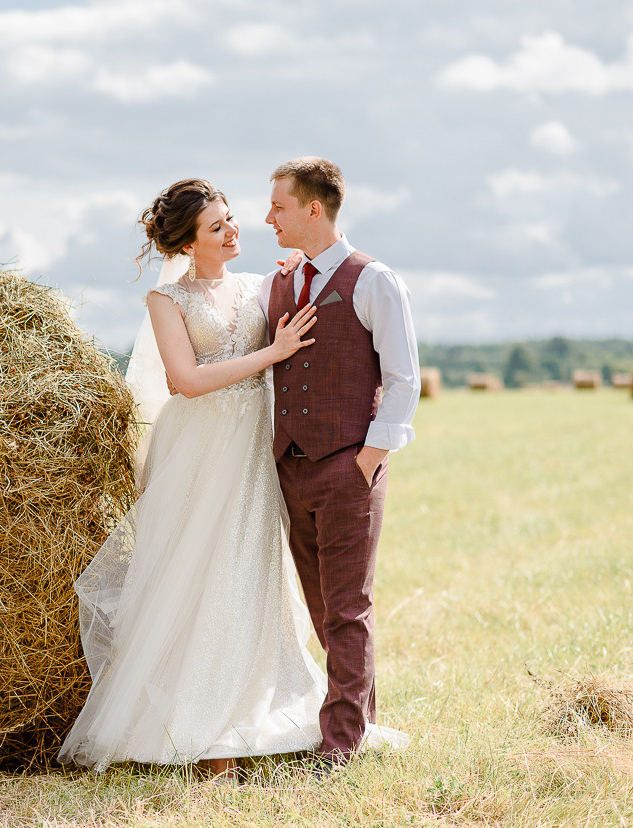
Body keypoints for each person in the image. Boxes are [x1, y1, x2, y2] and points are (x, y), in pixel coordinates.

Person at [57, 178, 327, 777]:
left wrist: (298, 269)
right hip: (200, 448)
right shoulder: (167, 301)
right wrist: (271, 354)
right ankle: (201, 732)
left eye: (231, 219)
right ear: (187, 242)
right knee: (198, 572)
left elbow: (315, 291)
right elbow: (186, 380)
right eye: (217, 227)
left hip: (256, 446)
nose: (234, 231)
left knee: (252, 569)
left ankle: (258, 712)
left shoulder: (262, 286)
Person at [260, 157, 420, 770]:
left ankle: (341, 746)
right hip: (291, 467)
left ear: (313, 209)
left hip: (349, 465)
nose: (268, 216)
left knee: (348, 605)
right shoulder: (280, 281)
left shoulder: (375, 280)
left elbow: (404, 379)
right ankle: (364, 723)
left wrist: (368, 459)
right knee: (322, 607)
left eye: (278, 205)